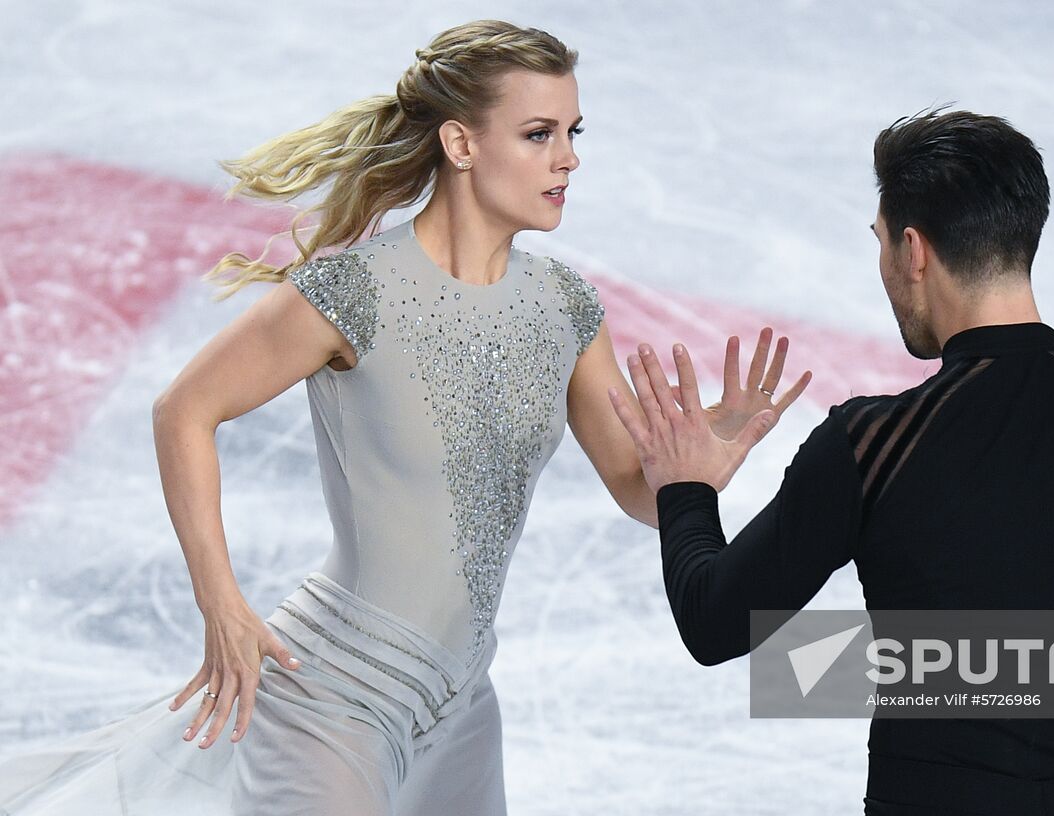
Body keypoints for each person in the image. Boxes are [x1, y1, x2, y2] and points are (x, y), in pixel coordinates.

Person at [0, 19, 811, 816]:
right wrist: (222, 604)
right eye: (538, 134)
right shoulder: (354, 291)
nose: (568, 158)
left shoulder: (566, 308)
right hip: (332, 702)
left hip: (463, 708)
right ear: (461, 145)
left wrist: (694, 458)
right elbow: (184, 409)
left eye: (572, 132)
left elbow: (637, 489)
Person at [607, 107, 1054, 815]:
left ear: (913, 251)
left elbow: (714, 624)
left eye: (880, 242)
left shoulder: (870, 445)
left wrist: (687, 487)